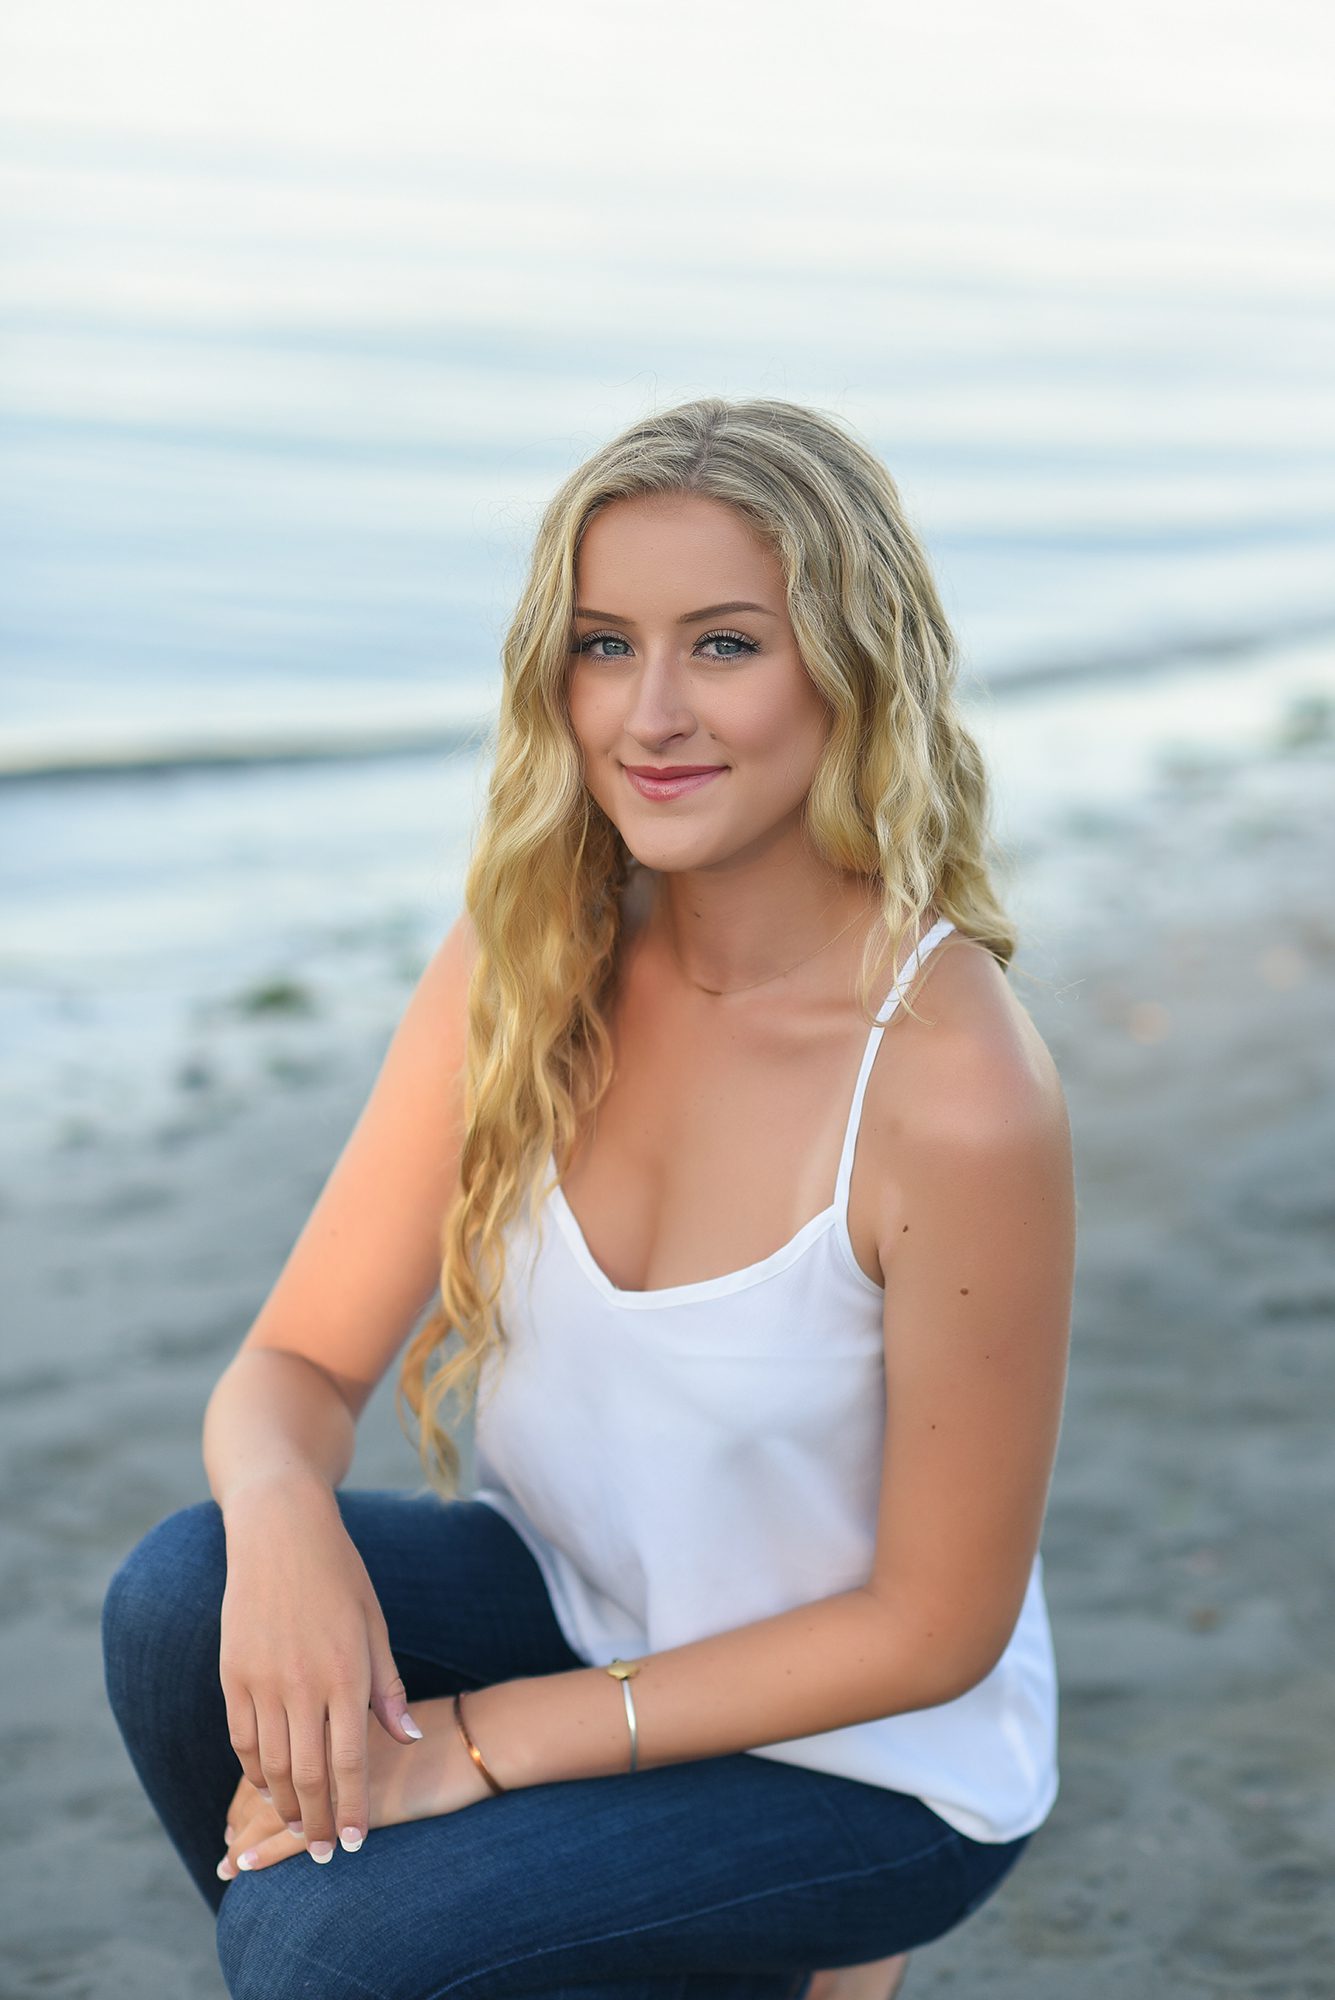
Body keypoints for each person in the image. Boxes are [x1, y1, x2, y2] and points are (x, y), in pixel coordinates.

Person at [101, 395, 1075, 2000]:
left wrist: (477, 1749)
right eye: (606, 644)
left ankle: (791, 1956)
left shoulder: (955, 1087)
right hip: (581, 1609)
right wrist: (281, 1527)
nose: (650, 714)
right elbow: (292, 1370)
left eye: (725, 645)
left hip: (863, 1762)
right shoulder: (532, 959)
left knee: (327, 1940)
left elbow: (934, 1629)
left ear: (851, 666)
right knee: (181, 1605)